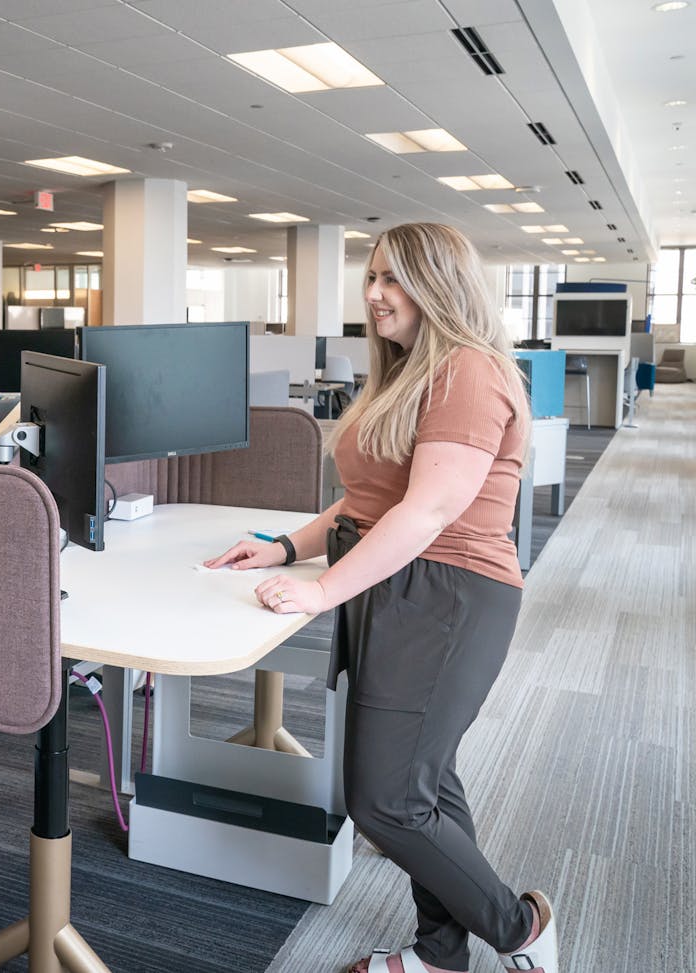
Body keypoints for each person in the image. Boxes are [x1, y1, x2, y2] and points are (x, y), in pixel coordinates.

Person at [205, 224, 558, 973]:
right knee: (423, 779)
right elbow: (365, 501)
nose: (372, 294)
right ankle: (439, 953)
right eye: (370, 278)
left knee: (386, 798)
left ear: (439, 282)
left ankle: (520, 926)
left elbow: (428, 511)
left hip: (450, 592)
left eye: (392, 279)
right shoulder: (406, 373)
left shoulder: (467, 371)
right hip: (400, 585)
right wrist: (283, 547)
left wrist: (322, 590)